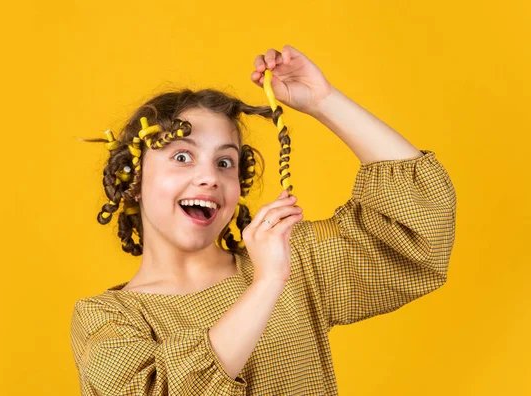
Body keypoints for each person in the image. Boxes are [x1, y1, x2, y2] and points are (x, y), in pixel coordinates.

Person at [70, 45, 457, 395]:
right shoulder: (106, 319)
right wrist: (267, 283)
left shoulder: (294, 260)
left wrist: (325, 101)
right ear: (134, 180)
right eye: (182, 157)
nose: (209, 177)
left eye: (225, 163)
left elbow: (419, 223)